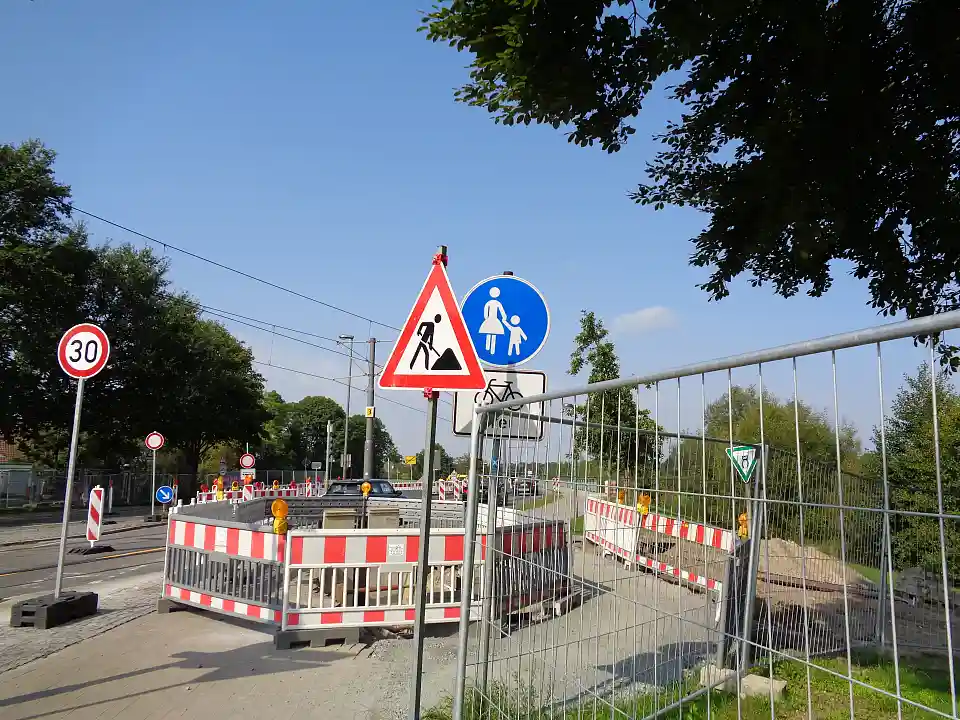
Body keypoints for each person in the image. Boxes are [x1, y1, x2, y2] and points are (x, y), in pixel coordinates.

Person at [479, 287, 508, 353]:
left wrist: (486, 318)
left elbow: (486, 311)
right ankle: (490, 349)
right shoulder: (497, 303)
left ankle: (488, 348)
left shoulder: (489, 303)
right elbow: (502, 311)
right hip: (494, 320)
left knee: (490, 333)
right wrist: (504, 317)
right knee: (493, 333)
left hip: (490, 319)